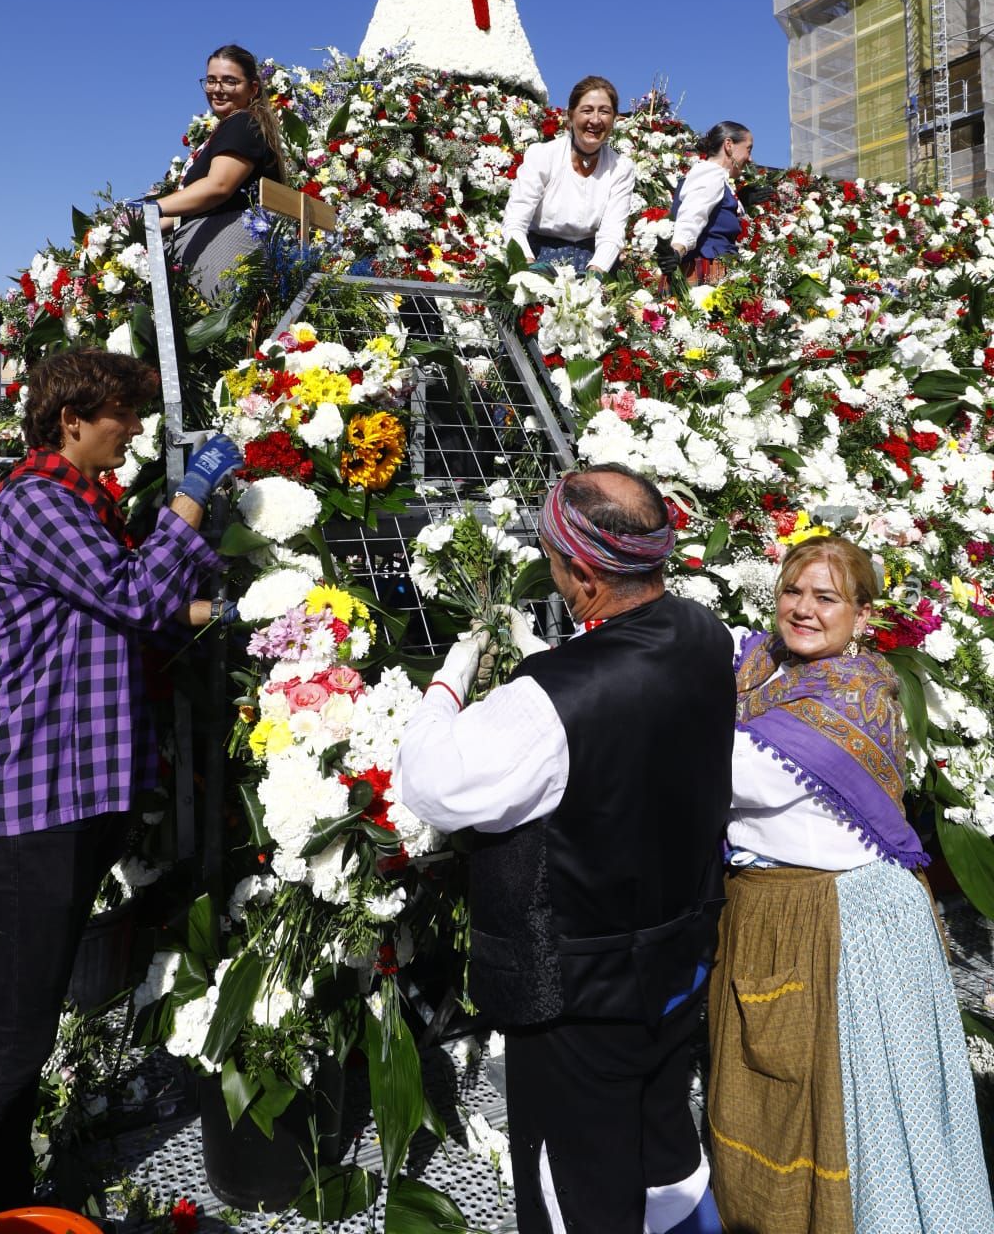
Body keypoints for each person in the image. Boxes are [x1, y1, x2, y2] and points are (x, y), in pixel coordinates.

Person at [0, 348, 244, 1226]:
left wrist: (230, 610)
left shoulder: (83, 504)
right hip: (36, 810)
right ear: (72, 420)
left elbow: (112, 613)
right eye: (123, 413)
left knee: (26, 1035)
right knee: (8, 1044)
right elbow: (132, 594)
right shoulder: (39, 503)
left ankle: (9, 1205)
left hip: (77, 799)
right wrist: (191, 495)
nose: (134, 429)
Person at [396, 465, 734, 1234]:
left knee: (578, 1192)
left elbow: (432, 783)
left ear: (582, 574)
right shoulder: (705, 634)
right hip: (679, 962)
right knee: (665, 1151)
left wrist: (448, 686)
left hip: (580, 995)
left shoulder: (549, 699)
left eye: (552, 558)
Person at [707, 535, 994, 1233]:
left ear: (863, 616)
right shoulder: (765, 669)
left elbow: (717, 772)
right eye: (793, 591)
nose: (803, 609)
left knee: (865, 1117)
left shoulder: (847, 693)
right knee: (811, 1107)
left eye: (826, 598)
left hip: (847, 926)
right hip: (791, 909)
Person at [156, 44, 287, 300]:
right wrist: (133, 227)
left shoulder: (242, 123)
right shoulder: (230, 128)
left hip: (227, 254)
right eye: (211, 80)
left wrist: (153, 208)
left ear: (253, 88)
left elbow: (219, 186)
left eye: (229, 81)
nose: (217, 89)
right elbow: (188, 210)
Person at [502, 76, 635, 276]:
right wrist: (527, 269)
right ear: (571, 115)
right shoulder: (542, 155)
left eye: (604, 111)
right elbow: (515, 221)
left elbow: (612, 232)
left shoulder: (621, 168)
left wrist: (594, 276)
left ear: (614, 118)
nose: (595, 120)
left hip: (596, 262)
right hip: (538, 258)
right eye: (587, 110)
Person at [657, 121, 773, 284]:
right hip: (706, 274)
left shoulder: (714, 176)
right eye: (748, 149)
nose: (750, 158)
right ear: (729, 145)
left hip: (712, 271)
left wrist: (741, 202)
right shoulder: (710, 173)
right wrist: (677, 250)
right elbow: (693, 215)